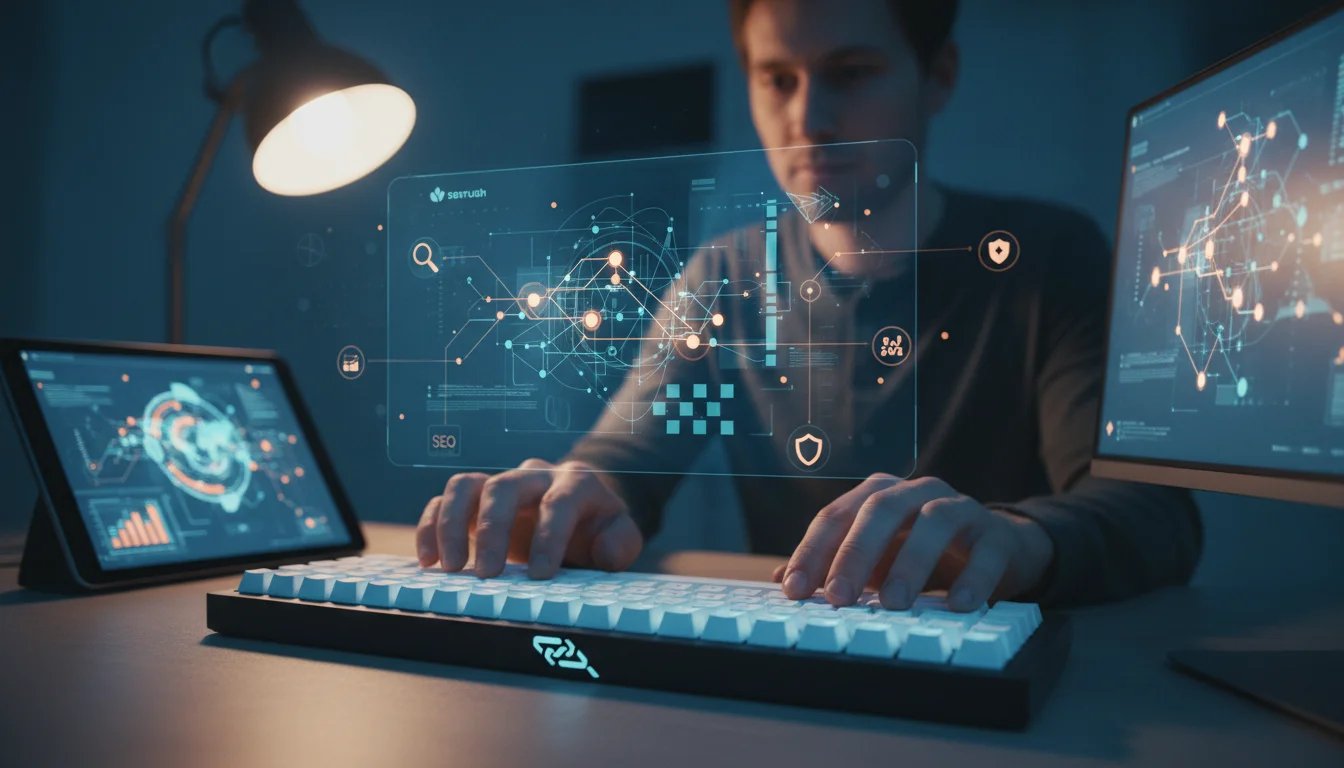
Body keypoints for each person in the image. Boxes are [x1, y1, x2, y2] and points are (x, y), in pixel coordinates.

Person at [414, 0, 1202, 612]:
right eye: (777, 78)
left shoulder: (1049, 257)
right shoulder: (723, 278)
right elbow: (629, 465)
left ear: (939, 75)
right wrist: (572, 498)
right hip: (807, 673)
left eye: (851, 72)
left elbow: (1152, 512)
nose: (807, 121)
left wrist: (1017, 541)